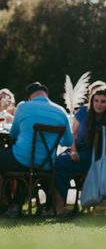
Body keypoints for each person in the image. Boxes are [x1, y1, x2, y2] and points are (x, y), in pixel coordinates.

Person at [0, 82, 73, 217]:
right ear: (46, 95)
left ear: (29, 97)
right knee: (28, 166)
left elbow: (13, 134)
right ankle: (15, 205)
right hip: (47, 164)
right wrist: (54, 138)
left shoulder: (23, 107)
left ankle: (5, 204)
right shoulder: (60, 111)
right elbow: (68, 141)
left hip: (21, 159)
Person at [52, 84, 106, 216]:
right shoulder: (83, 111)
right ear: (92, 100)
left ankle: (59, 206)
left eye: (103, 101)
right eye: (96, 100)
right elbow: (73, 134)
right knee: (57, 161)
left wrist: (102, 166)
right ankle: (58, 205)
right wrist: (73, 151)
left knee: (61, 163)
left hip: (95, 155)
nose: (99, 104)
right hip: (78, 150)